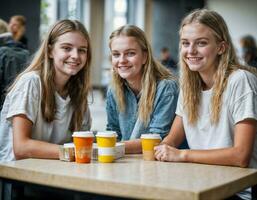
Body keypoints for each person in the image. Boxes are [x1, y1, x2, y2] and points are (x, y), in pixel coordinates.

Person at [154, 9, 257, 200]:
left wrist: (182, 155)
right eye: (186, 43)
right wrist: (162, 149)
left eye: (201, 43)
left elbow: (241, 156)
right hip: (199, 183)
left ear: (221, 47)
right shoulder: (188, 86)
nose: (191, 51)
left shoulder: (241, 80)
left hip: (237, 192)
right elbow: (171, 140)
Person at [0, 19, 92, 162]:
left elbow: (81, 141)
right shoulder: (31, 82)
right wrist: (77, 150)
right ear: (50, 51)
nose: (75, 55)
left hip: (53, 171)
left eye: (82, 50)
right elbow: (21, 148)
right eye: (67, 48)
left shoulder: (79, 92)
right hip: (17, 177)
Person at [106, 25, 179, 154]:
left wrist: (108, 146)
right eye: (116, 54)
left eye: (130, 53)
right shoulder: (113, 90)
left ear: (145, 56)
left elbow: (156, 139)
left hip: (160, 164)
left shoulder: (166, 88)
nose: (122, 60)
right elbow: (113, 132)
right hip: (128, 161)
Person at [0, 18, 29, 110]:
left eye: (15, 24)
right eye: (11, 23)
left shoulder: (4, 52)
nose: (11, 25)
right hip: (16, 106)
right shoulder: (24, 52)